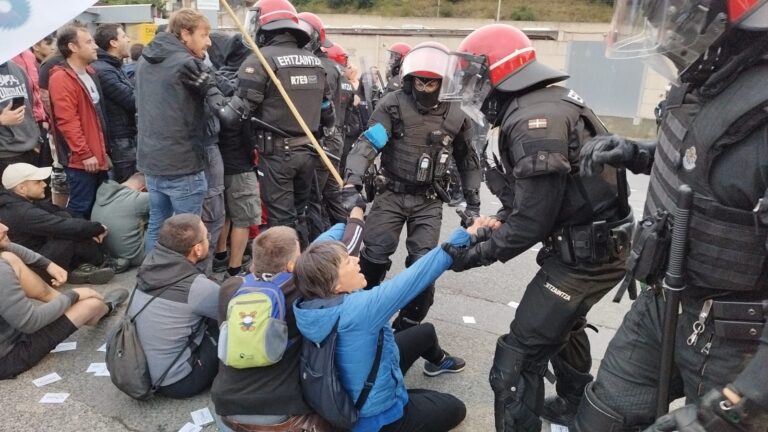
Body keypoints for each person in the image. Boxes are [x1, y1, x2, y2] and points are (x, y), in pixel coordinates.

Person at [571, 1, 768, 431]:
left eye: (665, 19)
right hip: (663, 299)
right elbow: (701, 170)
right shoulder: (710, 79)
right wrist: (635, 153)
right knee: (602, 419)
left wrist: (743, 402)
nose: (659, 33)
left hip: (739, 341)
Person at [439, 24, 634, 431]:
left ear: (500, 74)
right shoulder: (546, 101)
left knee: (517, 358)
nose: (474, 92)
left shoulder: (533, 119)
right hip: (594, 246)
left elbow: (532, 221)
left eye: (478, 80)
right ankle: (573, 402)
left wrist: (472, 257)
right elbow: (538, 203)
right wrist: (494, 226)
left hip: (586, 258)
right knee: (564, 326)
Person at [292, 217, 493, 431]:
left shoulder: (308, 298)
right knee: (455, 407)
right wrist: (467, 235)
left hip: (351, 383)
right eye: (347, 261)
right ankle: (405, 402)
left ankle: (436, 365)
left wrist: (352, 216)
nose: (356, 260)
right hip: (378, 420)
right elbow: (416, 276)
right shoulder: (360, 310)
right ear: (335, 281)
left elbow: (316, 249)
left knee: (424, 332)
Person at [342, 41, 482, 332]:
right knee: (374, 257)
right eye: (420, 79)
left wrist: (474, 203)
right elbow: (370, 142)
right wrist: (352, 179)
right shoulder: (392, 103)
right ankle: (363, 317)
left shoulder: (457, 113)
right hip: (390, 192)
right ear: (409, 77)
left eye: (432, 80)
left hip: (429, 199)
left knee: (423, 268)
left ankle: (405, 331)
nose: (426, 85)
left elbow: (468, 159)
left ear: (444, 81)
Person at [211, 210, 364, 432]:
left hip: (225, 414)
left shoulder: (230, 289)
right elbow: (347, 251)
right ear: (294, 266)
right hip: (279, 416)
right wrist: (355, 218)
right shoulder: (301, 289)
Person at [223, 0, 333, 247]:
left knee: (281, 221)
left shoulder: (260, 61)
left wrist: (212, 93)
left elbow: (232, 117)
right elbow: (328, 114)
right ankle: (304, 266)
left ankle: (285, 278)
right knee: (301, 214)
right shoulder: (315, 62)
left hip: (276, 155)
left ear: (265, 26)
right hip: (308, 153)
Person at [0, 221, 127, 380]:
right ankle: (106, 307)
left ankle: (59, 301)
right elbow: (30, 322)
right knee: (91, 304)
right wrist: (74, 295)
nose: (5, 227)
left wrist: (47, 264)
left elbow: (9, 247)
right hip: (8, 358)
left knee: (9, 256)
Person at [135, 8, 212, 253]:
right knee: (189, 232)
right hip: (182, 161)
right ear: (185, 34)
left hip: (152, 159)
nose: (208, 42)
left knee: (158, 223)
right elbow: (217, 101)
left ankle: (151, 278)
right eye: (204, 34)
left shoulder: (145, 60)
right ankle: (184, 285)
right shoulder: (187, 64)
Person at [128, 213, 220, 399]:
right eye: (206, 236)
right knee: (229, 327)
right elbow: (232, 312)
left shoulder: (148, 265)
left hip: (137, 370)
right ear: (198, 249)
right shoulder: (198, 287)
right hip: (178, 382)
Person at [0, 163, 116, 284]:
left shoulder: (21, 202)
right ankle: (100, 261)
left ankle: (80, 268)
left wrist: (91, 227)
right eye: (38, 182)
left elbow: (62, 212)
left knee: (66, 220)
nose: (45, 184)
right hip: (33, 269)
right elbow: (64, 226)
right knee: (67, 234)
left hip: (38, 256)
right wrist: (99, 228)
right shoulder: (22, 212)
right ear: (22, 188)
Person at [48, 23, 109, 218]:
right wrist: (84, 153)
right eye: (88, 42)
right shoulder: (61, 78)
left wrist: (102, 151)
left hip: (96, 156)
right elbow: (67, 121)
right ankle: (75, 247)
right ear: (73, 47)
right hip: (80, 160)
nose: (95, 46)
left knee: (95, 207)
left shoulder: (90, 73)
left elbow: (97, 117)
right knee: (80, 207)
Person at [298, 13, 348, 243]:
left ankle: (319, 250)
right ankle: (348, 238)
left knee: (313, 198)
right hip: (331, 138)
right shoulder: (327, 66)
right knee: (331, 195)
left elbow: (320, 107)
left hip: (323, 139)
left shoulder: (320, 69)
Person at [92, 23, 138, 183]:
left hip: (126, 136)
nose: (128, 40)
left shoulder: (114, 66)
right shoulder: (103, 70)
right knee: (128, 186)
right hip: (119, 138)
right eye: (124, 36)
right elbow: (132, 100)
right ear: (113, 43)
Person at [91, 172, 149, 269]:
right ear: (143, 189)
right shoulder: (139, 198)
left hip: (106, 252)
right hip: (135, 256)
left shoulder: (103, 191)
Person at [0, 60, 41, 176]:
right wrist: (1, 120)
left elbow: (29, 105)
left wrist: (35, 139)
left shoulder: (17, 68)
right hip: (5, 153)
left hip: (30, 147)